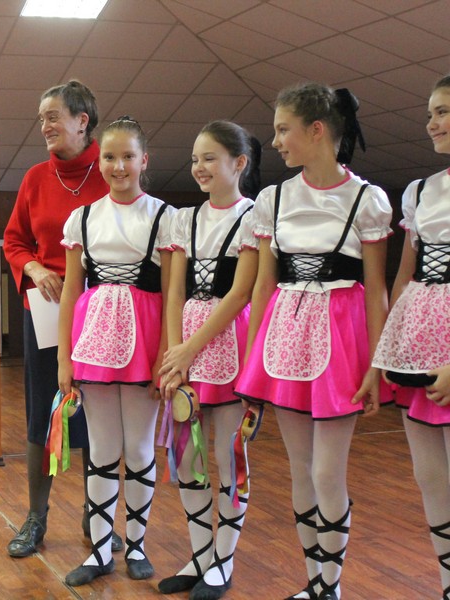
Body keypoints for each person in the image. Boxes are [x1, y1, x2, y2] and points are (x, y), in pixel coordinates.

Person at [234, 82, 392, 600]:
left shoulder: (366, 199)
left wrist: (376, 364)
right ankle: (316, 584)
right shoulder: (273, 199)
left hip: (341, 340)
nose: (276, 141)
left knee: (327, 472)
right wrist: (252, 364)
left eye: (284, 129)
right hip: (284, 338)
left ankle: (332, 586)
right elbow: (263, 286)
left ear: (317, 130)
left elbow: (376, 289)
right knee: (301, 470)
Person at [3, 80, 122, 558]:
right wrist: (33, 268)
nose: (45, 126)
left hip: (102, 312)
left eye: (53, 116)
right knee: (44, 413)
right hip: (46, 312)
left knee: (99, 417)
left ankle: (98, 517)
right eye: (42, 119)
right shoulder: (35, 178)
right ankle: (36, 518)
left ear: (82, 121)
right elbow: (15, 241)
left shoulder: (110, 173)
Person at [58, 116, 175, 586]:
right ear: (99, 160)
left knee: (140, 447)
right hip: (94, 344)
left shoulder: (165, 218)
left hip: (146, 343)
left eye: (128, 156)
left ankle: (138, 545)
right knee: (103, 448)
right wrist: (64, 357)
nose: (119, 166)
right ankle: (101, 550)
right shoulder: (83, 218)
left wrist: (167, 356)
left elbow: (173, 293)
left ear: (144, 160)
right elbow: (71, 292)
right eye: (110, 156)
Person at [156, 120, 261, 599]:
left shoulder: (254, 217)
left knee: (227, 456)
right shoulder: (185, 219)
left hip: (229, 343)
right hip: (187, 350)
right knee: (187, 458)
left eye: (209, 158)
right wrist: (175, 356)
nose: (199, 167)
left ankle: (224, 559)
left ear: (238, 163)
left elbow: (240, 294)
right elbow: (175, 291)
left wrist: (190, 347)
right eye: (195, 159)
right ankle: (200, 555)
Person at [371, 74, 450, 600]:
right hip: (418, 346)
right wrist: (389, 350)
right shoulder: (420, 191)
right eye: (430, 113)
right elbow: (404, 277)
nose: (431, 123)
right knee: (431, 478)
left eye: (443, 111)